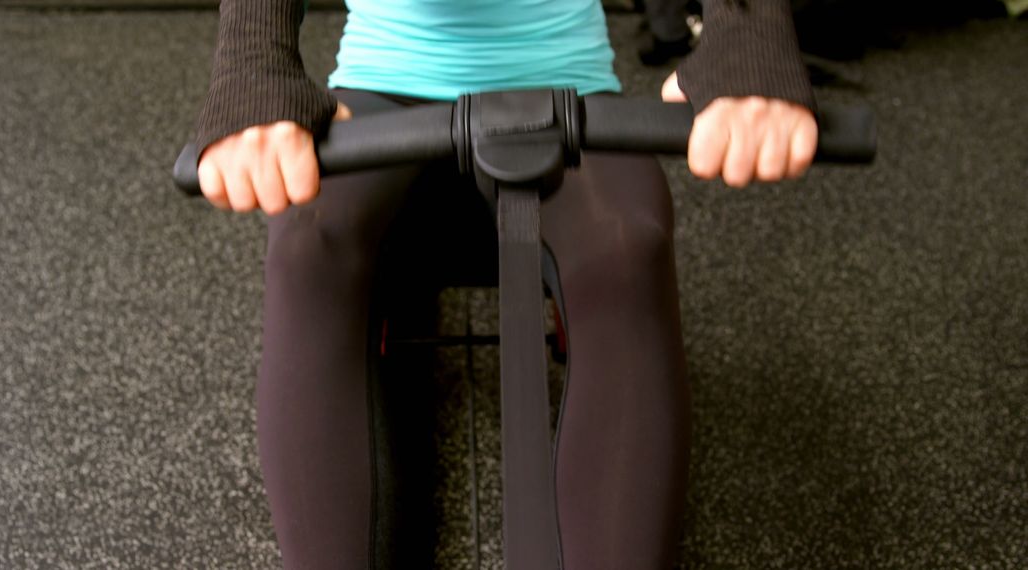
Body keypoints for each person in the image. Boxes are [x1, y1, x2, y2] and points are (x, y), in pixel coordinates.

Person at [193, 0, 818, 568]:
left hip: (566, 89)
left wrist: (747, 34)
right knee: (308, 248)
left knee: (627, 248)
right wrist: (253, 65)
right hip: (383, 86)